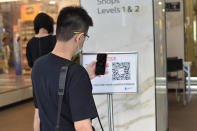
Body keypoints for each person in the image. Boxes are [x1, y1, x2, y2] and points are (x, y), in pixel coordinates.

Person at [32, 6, 98, 131]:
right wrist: (81, 77)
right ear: (79, 38)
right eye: (85, 37)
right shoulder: (76, 74)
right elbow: (83, 127)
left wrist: (85, 77)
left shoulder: (38, 66)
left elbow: (38, 116)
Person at [25, 13, 56, 131]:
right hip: (53, 79)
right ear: (49, 24)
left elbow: (30, 64)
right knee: (56, 110)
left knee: (38, 112)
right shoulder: (55, 40)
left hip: (37, 80)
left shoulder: (30, 43)